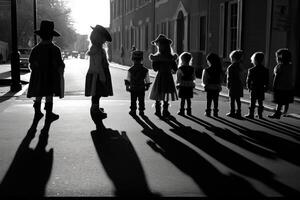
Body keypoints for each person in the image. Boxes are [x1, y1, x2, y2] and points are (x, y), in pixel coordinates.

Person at [27, 20, 65, 121]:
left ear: (40, 36)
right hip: (51, 76)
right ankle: (49, 114)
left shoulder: (36, 49)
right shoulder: (55, 49)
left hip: (38, 76)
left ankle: (37, 111)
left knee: (39, 93)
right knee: (49, 94)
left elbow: (31, 63)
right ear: (52, 36)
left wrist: (36, 70)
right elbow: (60, 64)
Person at [85, 25, 113, 120]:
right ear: (99, 38)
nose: (105, 41)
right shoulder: (98, 50)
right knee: (96, 93)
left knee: (97, 93)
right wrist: (102, 76)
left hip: (96, 74)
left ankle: (95, 107)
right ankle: (95, 109)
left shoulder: (96, 49)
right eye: (103, 38)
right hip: (97, 74)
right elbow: (98, 65)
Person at [149, 34, 178, 118]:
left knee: (158, 91)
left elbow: (155, 69)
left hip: (160, 76)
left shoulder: (157, 57)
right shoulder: (171, 57)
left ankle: (157, 109)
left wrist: (155, 61)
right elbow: (175, 68)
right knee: (166, 92)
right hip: (168, 76)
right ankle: (165, 109)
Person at [268, 48, 294, 119]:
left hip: (280, 87)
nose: (276, 58)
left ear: (279, 58)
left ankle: (277, 113)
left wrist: (274, 86)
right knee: (286, 101)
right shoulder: (290, 66)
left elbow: (277, 77)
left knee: (279, 101)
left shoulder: (279, 66)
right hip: (289, 87)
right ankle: (285, 112)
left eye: (276, 57)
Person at [125, 50, 151, 116]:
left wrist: (127, 86)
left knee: (133, 100)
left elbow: (128, 79)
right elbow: (147, 79)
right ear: (142, 59)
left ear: (132, 59)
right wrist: (147, 86)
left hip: (133, 87)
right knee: (141, 100)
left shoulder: (130, 69)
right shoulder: (145, 70)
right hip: (141, 87)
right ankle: (141, 111)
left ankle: (133, 110)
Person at [244, 52, 268, 119]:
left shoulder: (251, 70)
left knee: (252, 102)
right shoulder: (265, 70)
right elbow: (266, 80)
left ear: (254, 60)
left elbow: (248, 80)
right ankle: (260, 115)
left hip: (253, 87)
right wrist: (266, 87)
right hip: (261, 87)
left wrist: (248, 86)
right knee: (260, 102)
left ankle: (251, 114)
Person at [202, 53, 223, 117]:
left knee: (209, 100)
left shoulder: (206, 70)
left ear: (209, 61)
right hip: (216, 87)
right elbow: (221, 79)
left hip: (209, 87)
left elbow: (204, 80)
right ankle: (215, 112)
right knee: (216, 100)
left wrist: (205, 85)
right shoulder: (219, 70)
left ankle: (208, 111)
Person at [226, 50, 244, 118]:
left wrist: (228, 85)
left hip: (233, 85)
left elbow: (229, 77)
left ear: (233, 58)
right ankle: (239, 111)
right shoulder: (240, 66)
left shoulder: (230, 67)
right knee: (238, 99)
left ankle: (232, 111)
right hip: (239, 84)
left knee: (232, 99)